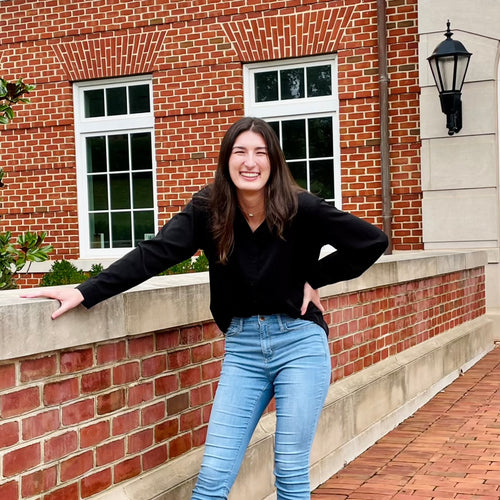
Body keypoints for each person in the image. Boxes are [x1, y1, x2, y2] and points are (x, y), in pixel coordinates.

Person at [22, 117, 388, 499]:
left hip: (299, 343)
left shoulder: (302, 208)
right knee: (212, 477)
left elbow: (371, 242)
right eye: (240, 152)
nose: (250, 162)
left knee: (290, 471)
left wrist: (313, 278)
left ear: (274, 161)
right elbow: (155, 253)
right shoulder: (207, 209)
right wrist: (86, 291)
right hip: (243, 350)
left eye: (260, 153)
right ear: (226, 159)